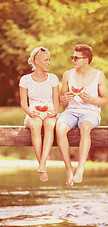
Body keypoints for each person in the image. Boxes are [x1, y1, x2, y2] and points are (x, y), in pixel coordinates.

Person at [56, 44, 108, 188]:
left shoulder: (99, 75)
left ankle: (81, 168)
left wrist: (91, 99)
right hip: (71, 111)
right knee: (60, 128)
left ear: (86, 60)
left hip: (91, 112)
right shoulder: (68, 74)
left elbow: (106, 100)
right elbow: (62, 101)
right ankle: (69, 169)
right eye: (72, 57)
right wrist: (64, 99)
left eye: (76, 58)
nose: (73, 60)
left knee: (85, 128)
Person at [19, 47, 59, 182]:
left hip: (50, 113)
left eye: (49, 60)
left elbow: (56, 101)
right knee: (36, 124)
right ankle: (41, 164)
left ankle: (43, 164)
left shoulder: (53, 78)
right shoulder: (25, 79)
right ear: (36, 61)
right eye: (46, 60)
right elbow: (23, 103)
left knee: (49, 124)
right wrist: (31, 112)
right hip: (32, 114)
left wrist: (55, 112)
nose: (49, 62)